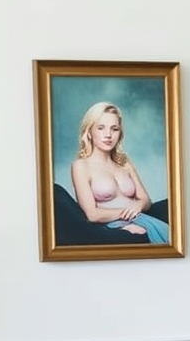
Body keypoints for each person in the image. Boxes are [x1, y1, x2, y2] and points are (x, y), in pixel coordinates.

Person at [70, 101, 170, 243]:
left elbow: (146, 200)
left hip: (143, 219)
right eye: (100, 128)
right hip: (113, 224)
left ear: (120, 133)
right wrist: (126, 217)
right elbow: (92, 215)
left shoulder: (125, 163)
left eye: (114, 129)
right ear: (89, 132)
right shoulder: (81, 166)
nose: (108, 135)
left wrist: (138, 206)